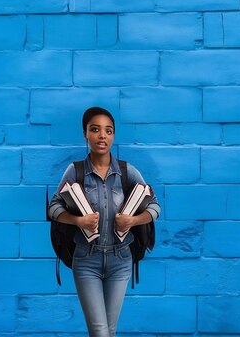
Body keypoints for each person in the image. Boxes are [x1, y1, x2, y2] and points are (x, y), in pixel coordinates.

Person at [48, 107, 161, 337]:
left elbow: (155, 206)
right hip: (86, 259)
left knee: (109, 331)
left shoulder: (127, 172)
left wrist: (132, 220)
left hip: (121, 260)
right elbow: (53, 208)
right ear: (85, 134)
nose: (102, 136)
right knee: (99, 331)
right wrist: (79, 221)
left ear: (113, 135)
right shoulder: (75, 171)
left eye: (108, 131)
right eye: (95, 130)